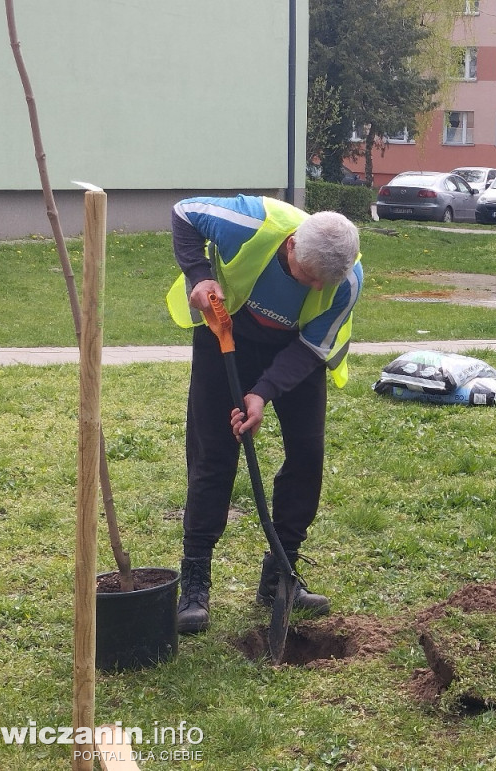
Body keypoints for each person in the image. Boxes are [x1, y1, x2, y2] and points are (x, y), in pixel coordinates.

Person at [165, 195, 363, 634]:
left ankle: (281, 575)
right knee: (214, 456)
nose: (315, 289)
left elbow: (314, 346)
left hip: (295, 351)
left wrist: (263, 393)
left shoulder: (346, 282)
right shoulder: (247, 224)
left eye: (323, 283)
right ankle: (195, 580)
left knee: (307, 455)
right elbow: (183, 213)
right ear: (290, 245)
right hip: (226, 334)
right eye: (308, 278)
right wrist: (199, 274)